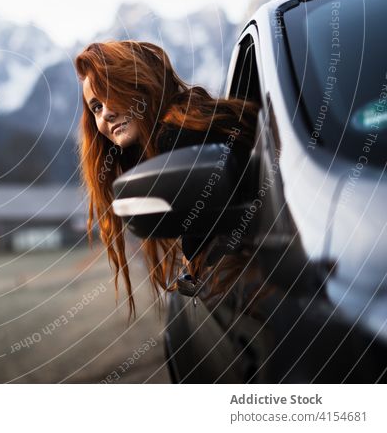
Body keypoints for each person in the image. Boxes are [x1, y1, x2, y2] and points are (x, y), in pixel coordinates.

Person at [74, 40, 260, 317]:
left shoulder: (181, 137)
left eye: (113, 92)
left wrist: (194, 250)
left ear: (142, 84)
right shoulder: (183, 126)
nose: (106, 113)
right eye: (96, 107)